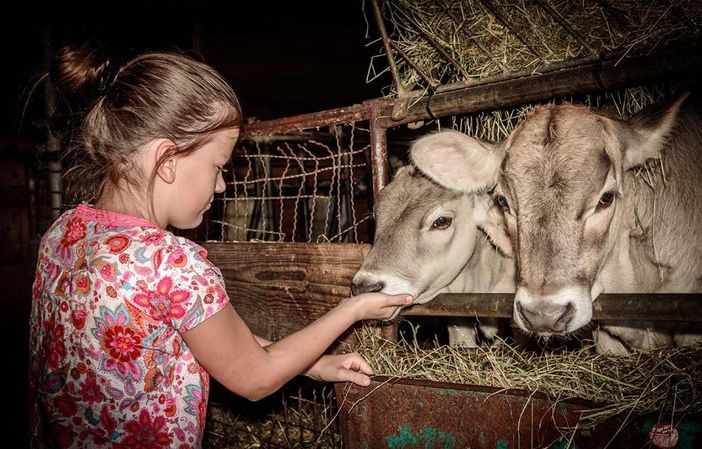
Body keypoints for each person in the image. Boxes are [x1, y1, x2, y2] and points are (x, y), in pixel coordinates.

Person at [28, 45, 412, 449]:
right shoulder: (172, 263)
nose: (222, 185)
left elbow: (203, 341)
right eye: (218, 166)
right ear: (167, 159)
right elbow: (256, 378)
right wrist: (351, 309)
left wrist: (313, 365)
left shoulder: (66, 233)